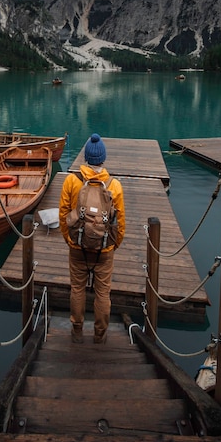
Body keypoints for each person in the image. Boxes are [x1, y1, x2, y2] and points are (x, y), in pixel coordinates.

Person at [59, 133, 125, 344]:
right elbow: (120, 222)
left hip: (77, 246)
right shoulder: (114, 185)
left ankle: (77, 330)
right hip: (104, 250)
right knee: (102, 293)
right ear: (103, 159)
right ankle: (99, 335)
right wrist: (113, 245)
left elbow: (63, 214)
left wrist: (69, 240)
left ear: (85, 158)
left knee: (77, 289)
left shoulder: (71, 180)